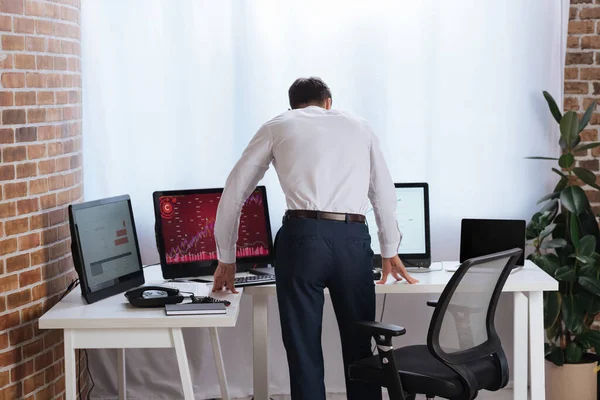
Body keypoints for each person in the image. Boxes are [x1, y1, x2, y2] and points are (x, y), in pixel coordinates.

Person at [212, 77, 418, 400]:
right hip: (352, 238)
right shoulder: (360, 127)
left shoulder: (279, 125)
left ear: (293, 105)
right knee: (360, 344)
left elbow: (235, 189)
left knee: (303, 348)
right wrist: (390, 247)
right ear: (328, 102)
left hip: (301, 238)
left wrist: (226, 257)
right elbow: (383, 192)